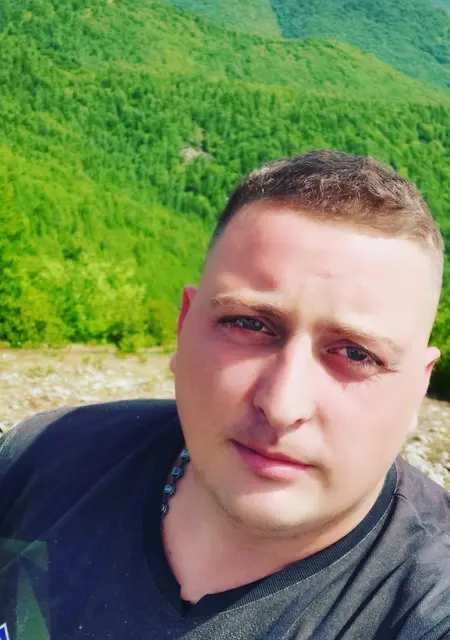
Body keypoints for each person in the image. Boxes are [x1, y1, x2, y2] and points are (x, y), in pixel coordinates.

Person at [1, 150, 449, 640]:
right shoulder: (41, 457)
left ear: (418, 386)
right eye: (249, 324)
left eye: (356, 354)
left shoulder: (429, 607)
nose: (281, 406)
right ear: (183, 327)